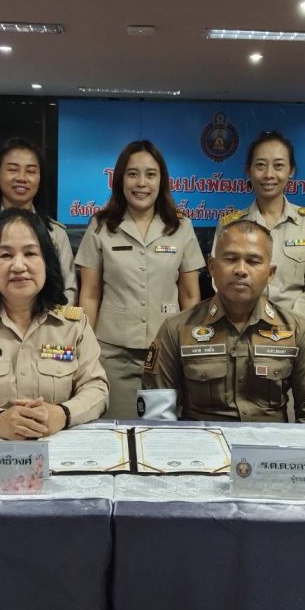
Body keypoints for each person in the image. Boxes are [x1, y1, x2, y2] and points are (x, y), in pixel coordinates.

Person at [0, 208, 108, 439]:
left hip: (55, 448)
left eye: (30, 253)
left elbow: (97, 389)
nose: (18, 266)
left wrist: (63, 414)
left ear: (47, 262)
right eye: (5, 255)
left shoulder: (73, 325)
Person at [142, 220, 305, 423]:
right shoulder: (177, 329)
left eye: (253, 261)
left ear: (270, 273)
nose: (241, 270)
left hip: (270, 442)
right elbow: (155, 416)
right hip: (202, 442)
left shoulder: (297, 330)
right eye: (231, 259)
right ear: (212, 267)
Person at [76, 140, 205, 419]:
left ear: (162, 180)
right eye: (132, 174)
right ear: (120, 180)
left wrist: (191, 347)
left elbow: (190, 295)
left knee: (161, 432)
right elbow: (90, 293)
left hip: (166, 353)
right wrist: (85, 347)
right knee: (115, 430)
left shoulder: (181, 227)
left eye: (150, 174)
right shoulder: (101, 225)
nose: (141, 183)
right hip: (113, 354)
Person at [210, 130, 305, 322]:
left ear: (291, 171)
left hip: (293, 329)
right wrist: (245, 322)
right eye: (260, 165)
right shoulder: (230, 225)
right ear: (249, 170)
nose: (269, 174)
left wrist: (287, 325)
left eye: (278, 166)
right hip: (240, 326)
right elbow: (219, 279)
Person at [0, 137, 77, 303]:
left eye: (31, 171)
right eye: (12, 169)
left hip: (46, 318)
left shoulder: (56, 234)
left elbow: (68, 291)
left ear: (40, 179)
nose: (22, 178)